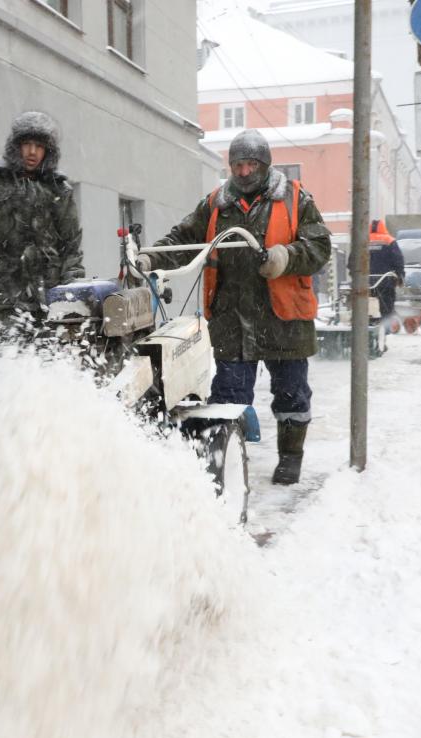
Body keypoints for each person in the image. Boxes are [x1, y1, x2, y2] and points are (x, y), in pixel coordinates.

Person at [138, 129, 331, 485]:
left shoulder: (295, 198)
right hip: (232, 317)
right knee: (228, 397)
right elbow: (184, 238)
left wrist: (285, 256)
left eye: (250, 164)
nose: (243, 172)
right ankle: (224, 462)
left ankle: (290, 458)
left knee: (291, 394)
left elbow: (319, 246)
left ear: (265, 164)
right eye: (237, 165)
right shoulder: (216, 203)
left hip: (283, 316)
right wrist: (153, 257)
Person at [0, 111, 84, 342]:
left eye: (39, 146)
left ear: (48, 151)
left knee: (50, 358)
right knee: (14, 355)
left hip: (50, 290)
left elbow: (70, 244)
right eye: (27, 144)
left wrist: (71, 288)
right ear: (16, 146)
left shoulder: (58, 188)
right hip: (6, 290)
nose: (32, 152)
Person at [351, 219, 406, 326]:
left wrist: (354, 275)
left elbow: (352, 261)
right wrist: (400, 276)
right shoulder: (389, 241)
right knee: (386, 309)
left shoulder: (362, 241)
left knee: (365, 308)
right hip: (385, 282)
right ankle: (385, 331)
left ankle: (368, 329)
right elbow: (398, 261)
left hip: (365, 283)